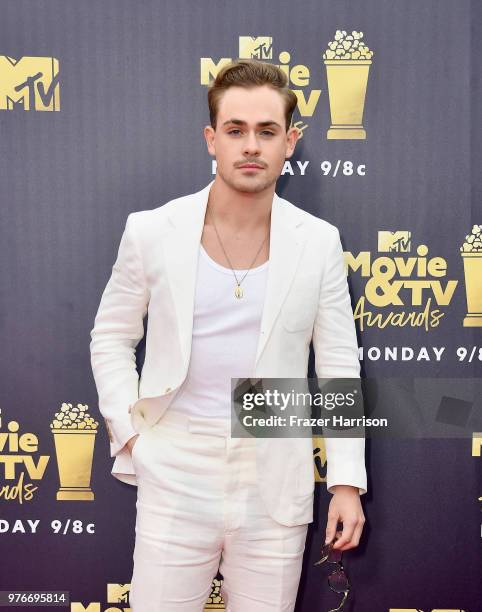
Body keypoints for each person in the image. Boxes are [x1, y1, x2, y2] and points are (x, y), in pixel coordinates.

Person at [90, 58, 367, 612]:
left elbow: (337, 362)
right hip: (175, 464)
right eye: (236, 130)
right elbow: (112, 337)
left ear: (290, 143)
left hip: (274, 473)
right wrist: (134, 438)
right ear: (211, 139)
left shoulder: (317, 241)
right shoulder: (151, 231)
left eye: (267, 132)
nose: (251, 146)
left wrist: (345, 482)